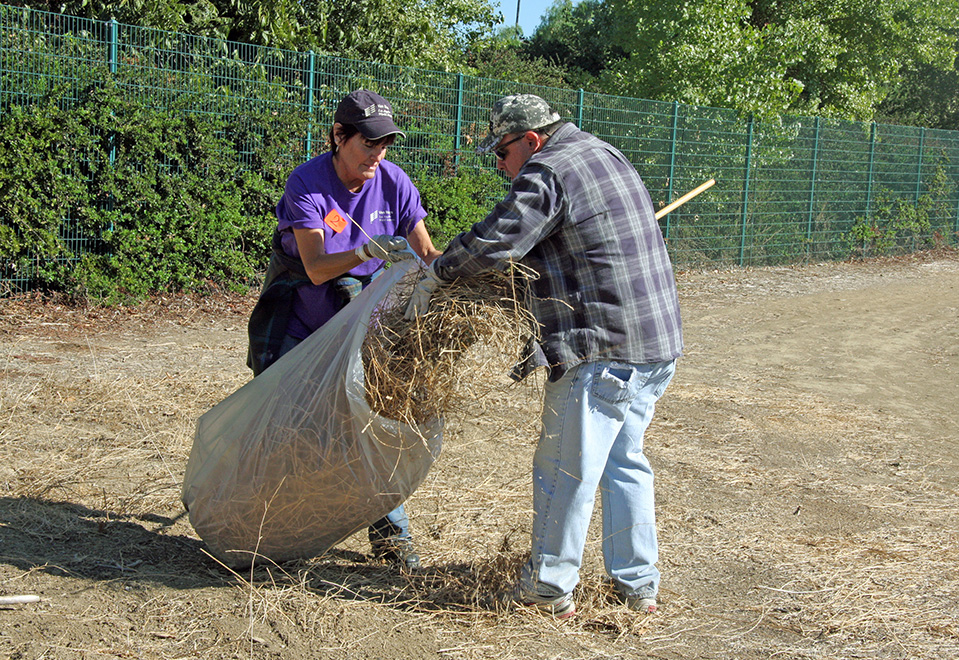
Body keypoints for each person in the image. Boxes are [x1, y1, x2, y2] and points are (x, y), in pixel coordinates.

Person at [405, 94, 684, 617]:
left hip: (602, 346)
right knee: (625, 464)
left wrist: (439, 272)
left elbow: (496, 242)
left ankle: (549, 587)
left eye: (501, 153)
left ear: (530, 141)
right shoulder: (604, 153)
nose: (500, 165)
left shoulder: (549, 169)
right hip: (654, 345)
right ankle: (637, 584)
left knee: (564, 470)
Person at [247, 88, 442, 570]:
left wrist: (470, 271)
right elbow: (313, 267)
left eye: (385, 144)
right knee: (285, 431)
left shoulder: (394, 182)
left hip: (365, 329)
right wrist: (365, 253)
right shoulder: (308, 183)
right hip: (303, 324)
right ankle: (261, 530)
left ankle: (392, 539)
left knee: (369, 429)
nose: (377, 154)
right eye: (368, 143)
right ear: (339, 135)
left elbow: (428, 254)